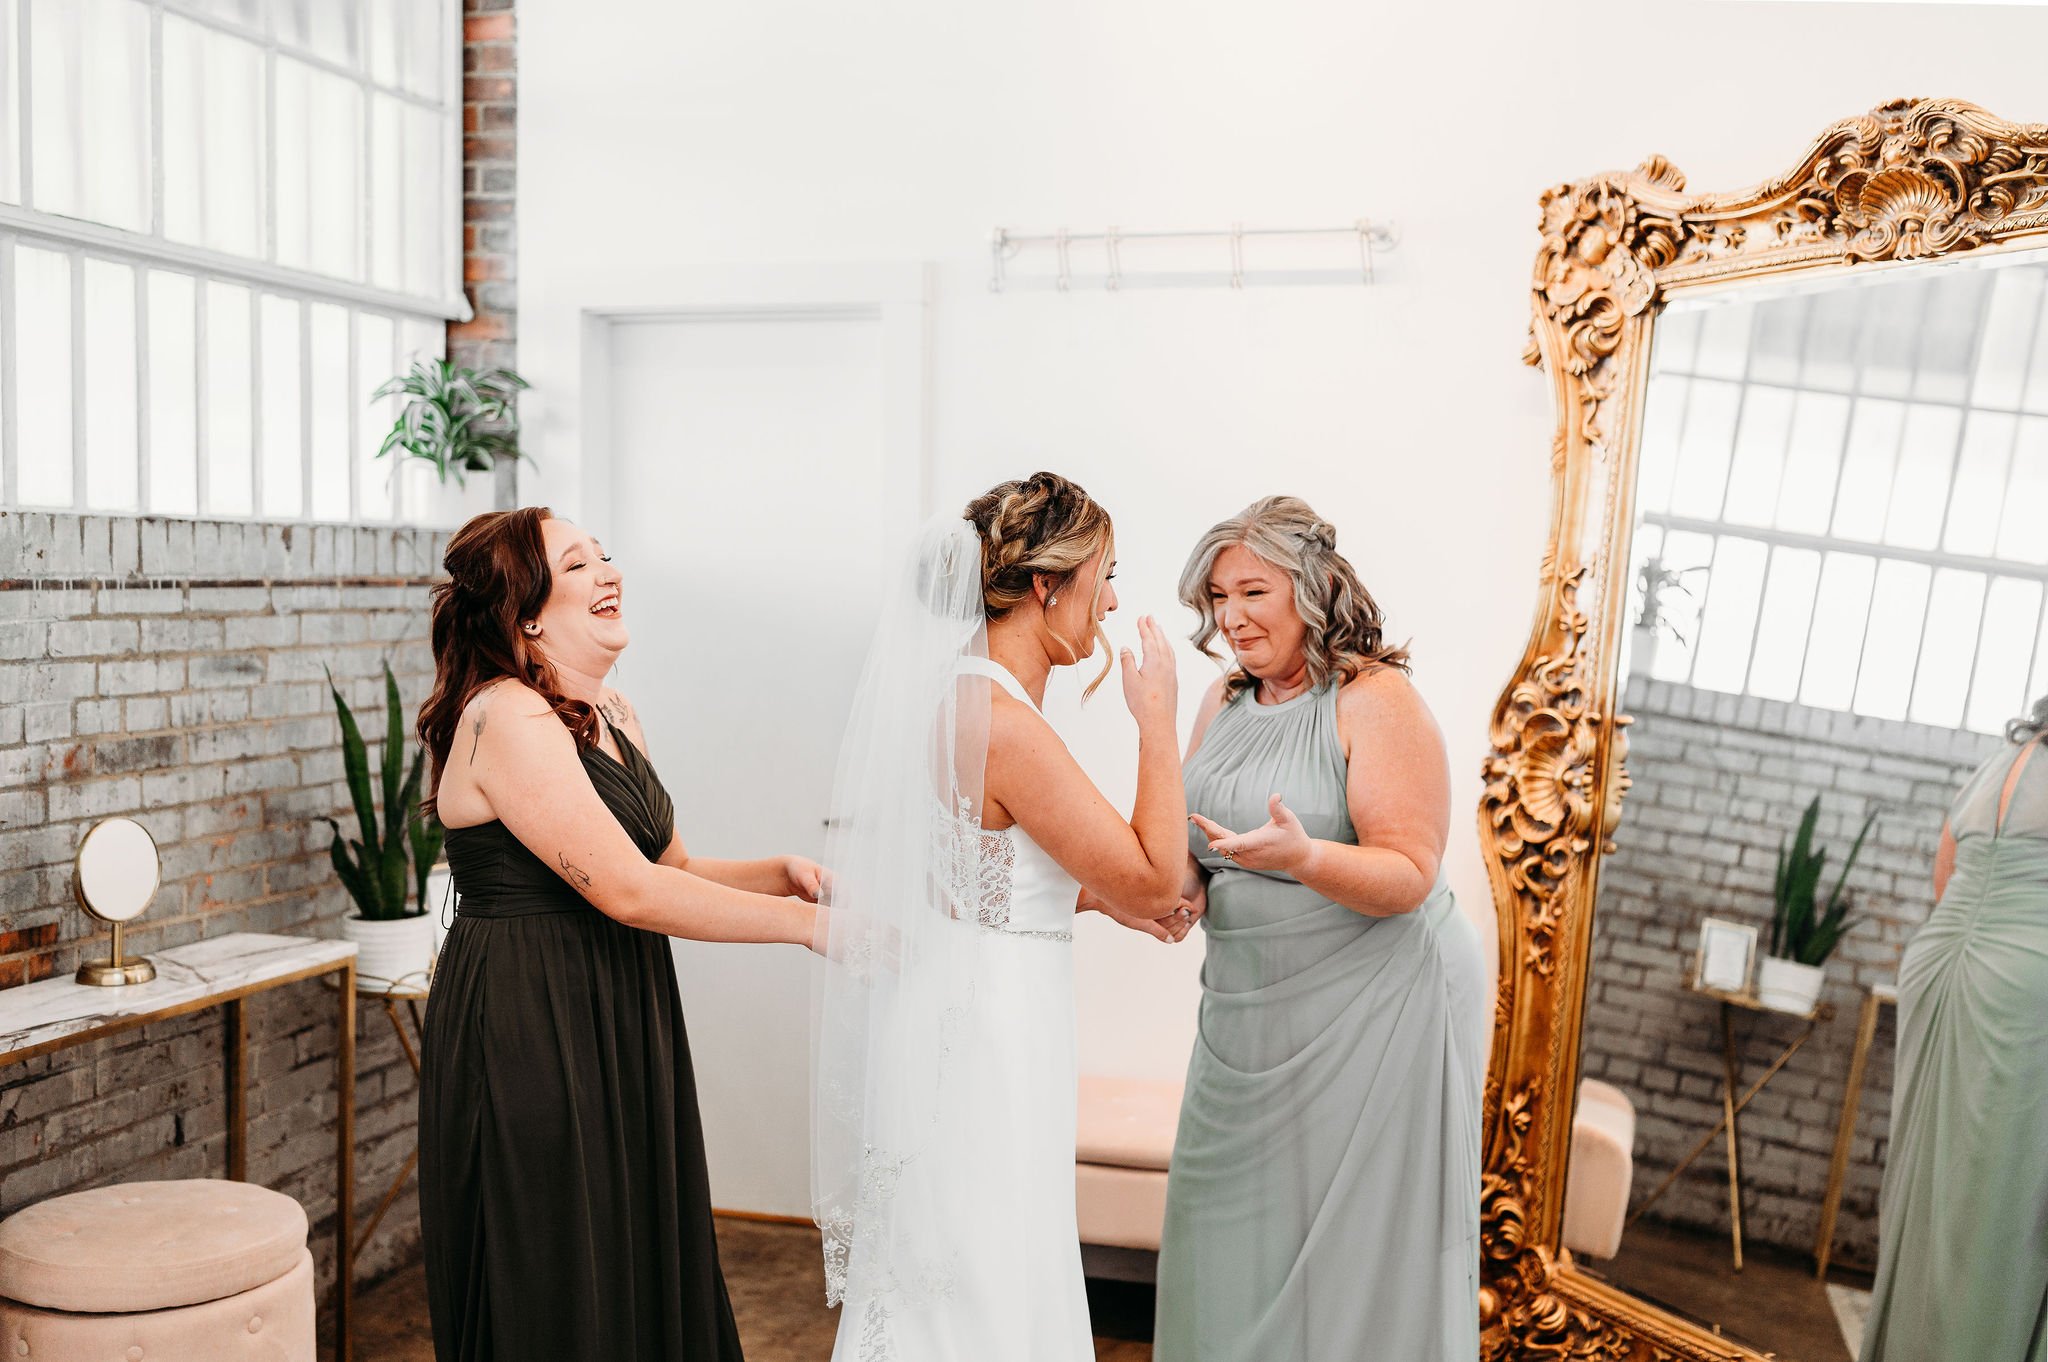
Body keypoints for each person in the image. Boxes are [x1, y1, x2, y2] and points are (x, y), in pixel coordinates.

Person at [416, 506, 824, 1362]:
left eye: (606, 556)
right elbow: (633, 893)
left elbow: (669, 864)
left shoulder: (615, 715)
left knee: (630, 1236)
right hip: (532, 1015)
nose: (609, 573)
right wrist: (806, 929)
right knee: (561, 1259)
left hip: (617, 1003)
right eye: (577, 565)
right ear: (526, 612)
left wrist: (777, 872)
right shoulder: (507, 716)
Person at [813, 472, 1193, 1362]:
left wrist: (1094, 901)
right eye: (1102, 575)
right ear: (1042, 586)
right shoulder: (1003, 721)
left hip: (961, 1000)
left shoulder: (958, 696)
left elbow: (977, 882)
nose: (1111, 600)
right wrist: (1157, 724)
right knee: (988, 1257)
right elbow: (1154, 873)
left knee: (968, 1247)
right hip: (991, 1027)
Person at [1154, 495, 1488, 1362]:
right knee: (1218, 1222)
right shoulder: (1222, 699)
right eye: (1218, 597)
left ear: (1309, 590)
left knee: (1356, 1252)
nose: (1230, 617)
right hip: (1247, 1011)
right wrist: (1180, 892)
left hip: (1377, 1006)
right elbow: (1197, 845)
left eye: (1252, 592)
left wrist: (1305, 859)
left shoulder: (1376, 700)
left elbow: (1410, 873)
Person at [1860, 694, 2048, 1361]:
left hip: (1942, 971)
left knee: (1935, 1190)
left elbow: (1947, 879)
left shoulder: (1998, 761)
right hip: (2024, 990)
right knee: (1998, 1210)